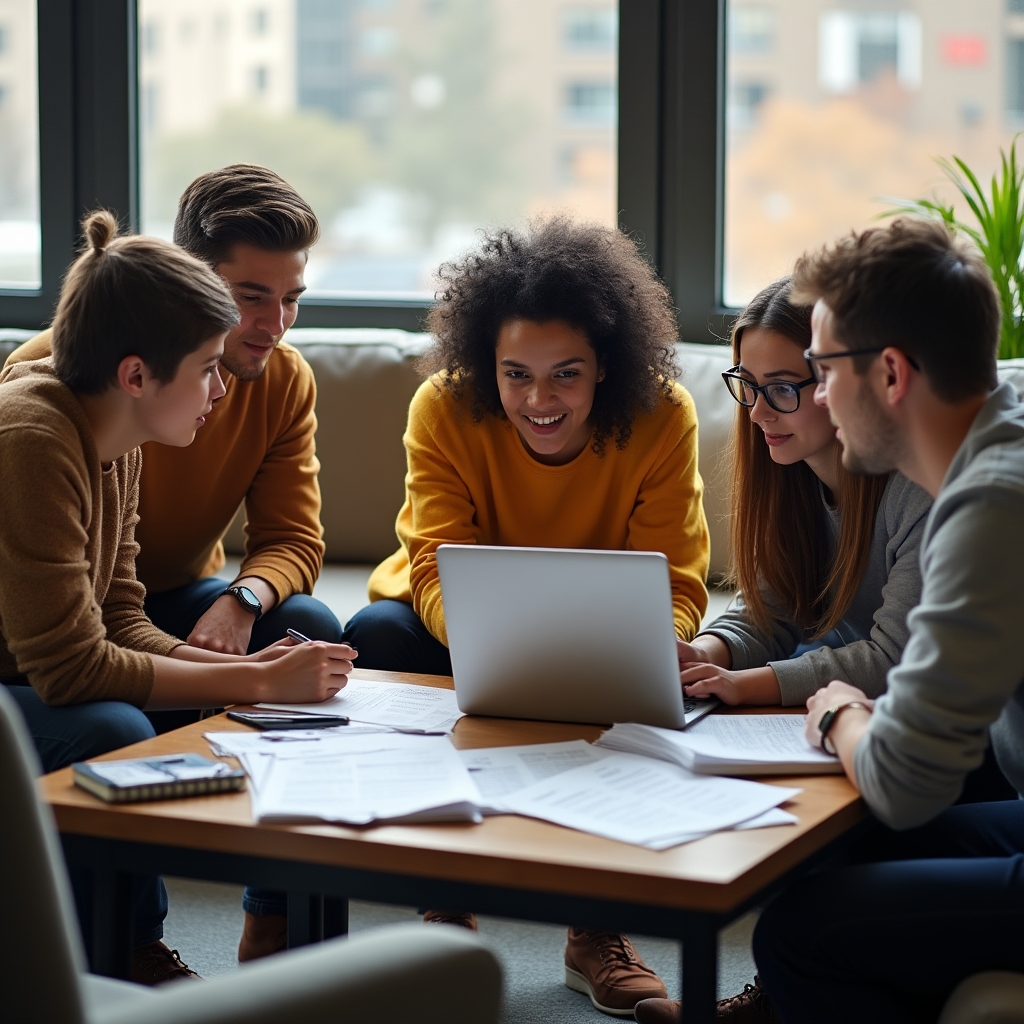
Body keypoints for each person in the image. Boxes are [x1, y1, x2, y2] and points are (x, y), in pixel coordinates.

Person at [636, 217, 1024, 1024]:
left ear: (889, 373)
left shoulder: (990, 501)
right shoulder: (997, 437)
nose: (812, 395)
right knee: (830, 848)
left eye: (821, 368)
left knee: (800, 935)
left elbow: (907, 784)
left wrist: (842, 709)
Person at [344, 218, 710, 1016]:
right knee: (374, 636)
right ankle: (445, 908)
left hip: (604, 636)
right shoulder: (443, 407)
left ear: (605, 367)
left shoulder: (663, 416)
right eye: (516, 375)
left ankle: (596, 929)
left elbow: (678, 584)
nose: (539, 401)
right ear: (487, 366)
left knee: (644, 695)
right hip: (443, 626)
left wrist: (653, 649)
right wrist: (494, 644)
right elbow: (434, 563)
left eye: (566, 375)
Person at [0, 212, 355, 984]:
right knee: (110, 726)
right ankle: (118, 959)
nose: (220, 386)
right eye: (205, 367)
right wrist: (253, 680)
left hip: (38, 662)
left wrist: (240, 667)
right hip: (24, 674)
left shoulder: (118, 432)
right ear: (135, 375)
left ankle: (273, 929)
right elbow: (68, 667)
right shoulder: (31, 434)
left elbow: (121, 616)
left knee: (267, 656)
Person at [676, 277, 931, 710]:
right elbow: (770, 612)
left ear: (842, 382)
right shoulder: (790, 472)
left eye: (781, 388)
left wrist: (743, 684)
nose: (757, 412)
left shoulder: (919, 488)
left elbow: (895, 659)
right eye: (748, 385)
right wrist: (704, 654)